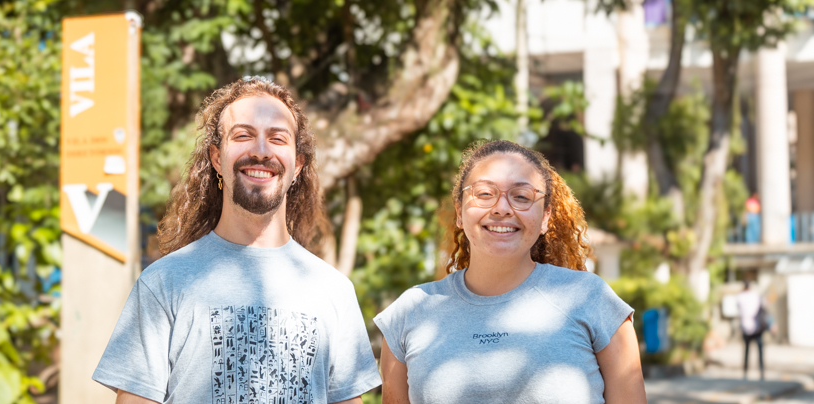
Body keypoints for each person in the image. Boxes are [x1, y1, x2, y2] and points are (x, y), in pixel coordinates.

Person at [92, 77, 381, 404]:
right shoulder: (164, 284)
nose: (261, 151)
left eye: (277, 138)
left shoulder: (334, 290)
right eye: (243, 135)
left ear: (297, 164)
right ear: (217, 157)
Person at [374, 140, 646, 404]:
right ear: (459, 212)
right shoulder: (409, 314)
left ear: (546, 218)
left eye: (521, 196)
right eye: (484, 194)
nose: (502, 208)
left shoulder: (592, 300)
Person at [737, 279, 766, 380]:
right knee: (760, 351)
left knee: (746, 351)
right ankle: (761, 372)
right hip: (757, 326)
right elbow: (763, 308)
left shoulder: (740, 297)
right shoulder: (756, 296)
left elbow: (739, 309)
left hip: (745, 326)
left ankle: (745, 373)